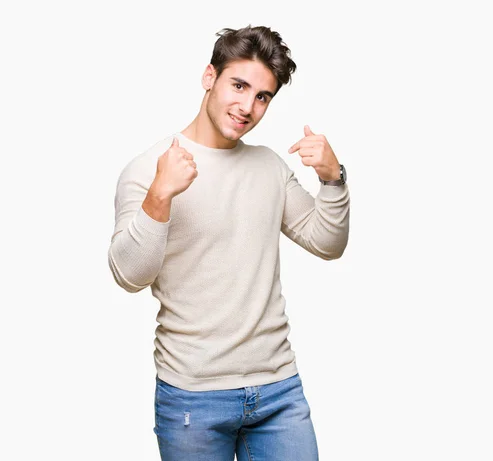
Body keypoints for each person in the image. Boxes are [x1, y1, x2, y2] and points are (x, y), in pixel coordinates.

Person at [108, 24, 350, 461]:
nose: (247, 107)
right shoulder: (150, 168)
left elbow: (326, 242)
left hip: (279, 391)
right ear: (209, 77)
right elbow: (128, 275)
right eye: (238, 85)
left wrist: (333, 179)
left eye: (262, 96)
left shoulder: (267, 167)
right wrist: (159, 196)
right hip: (193, 397)